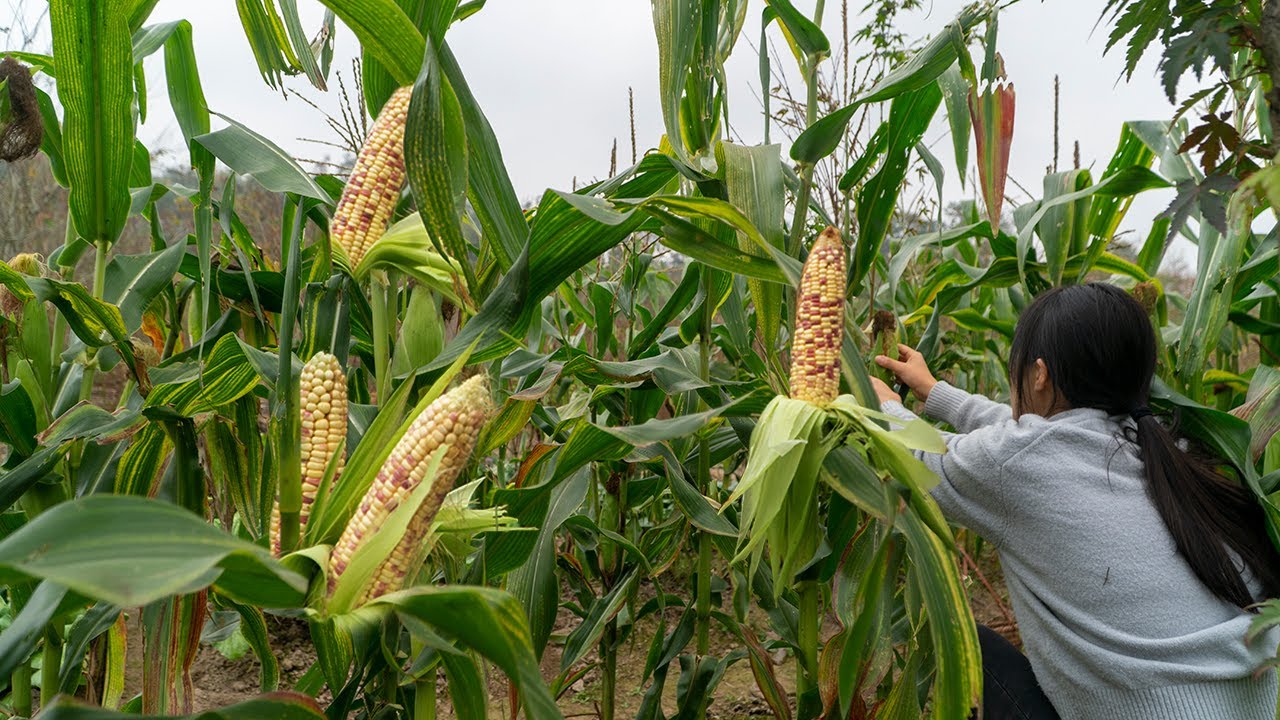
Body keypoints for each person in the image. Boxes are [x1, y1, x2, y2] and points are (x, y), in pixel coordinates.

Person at [870, 282, 1280, 720]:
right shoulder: (1166, 447)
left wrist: (885, 408)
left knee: (965, 642)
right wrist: (936, 393)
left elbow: (915, 456)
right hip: (1253, 706)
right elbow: (1033, 439)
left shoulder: (1019, 465)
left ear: (1039, 375)